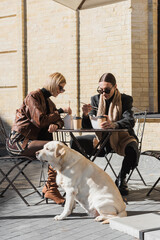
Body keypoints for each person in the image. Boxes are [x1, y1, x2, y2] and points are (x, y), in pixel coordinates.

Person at [6, 72, 72, 205]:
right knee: (57, 148)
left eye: (63, 89)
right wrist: (59, 111)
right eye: (60, 88)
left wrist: (56, 124)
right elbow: (40, 121)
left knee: (60, 147)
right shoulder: (33, 96)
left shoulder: (49, 102)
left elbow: (59, 121)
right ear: (53, 84)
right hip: (19, 142)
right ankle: (51, 189)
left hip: (32, 141)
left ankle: (50, 187)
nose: (61, 91)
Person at [70, 73, 139, 196]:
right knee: (75, 142)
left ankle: (121, 179)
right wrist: (86, 115)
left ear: (115, 87)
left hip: (122, 138)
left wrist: (114, 124)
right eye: (100, 90)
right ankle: (85, 177)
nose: (103, 93)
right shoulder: (95, 99)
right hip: (101, 140)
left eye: (107, 90)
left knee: (132, 148)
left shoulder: (125, 99)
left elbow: (130, 120)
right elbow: (87, 126)